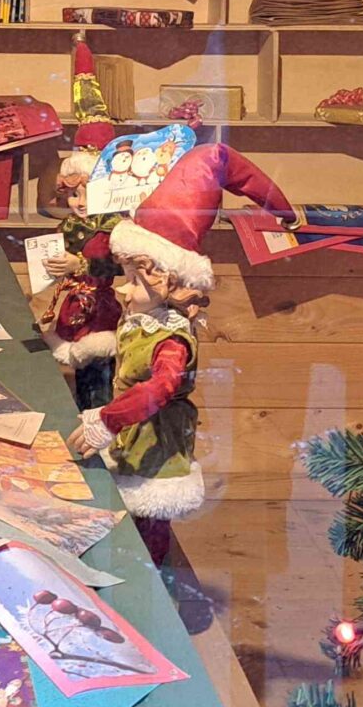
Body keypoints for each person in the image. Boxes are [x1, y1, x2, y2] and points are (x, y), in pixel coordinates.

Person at [69, 145, 301, 565]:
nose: (123, 289)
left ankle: (151, 583)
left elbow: (160, 387)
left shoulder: (172, 340)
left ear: (170, 284)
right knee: (127, 523)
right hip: (133, 438)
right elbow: (129, 354)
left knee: (149, 533)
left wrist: (107, 420)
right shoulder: (143, 319)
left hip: (157, 447)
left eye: (134, 281)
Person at [41, 42, 123, 407]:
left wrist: (81, 265)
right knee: (78, 379)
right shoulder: (72, 225)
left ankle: (97, 422)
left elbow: (118, 265)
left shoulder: (116, 226)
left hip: (99, 313)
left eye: (88, 194)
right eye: (74, 195)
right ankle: (83, 416)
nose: (79, 202)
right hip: (74, 306)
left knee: (98, 376)